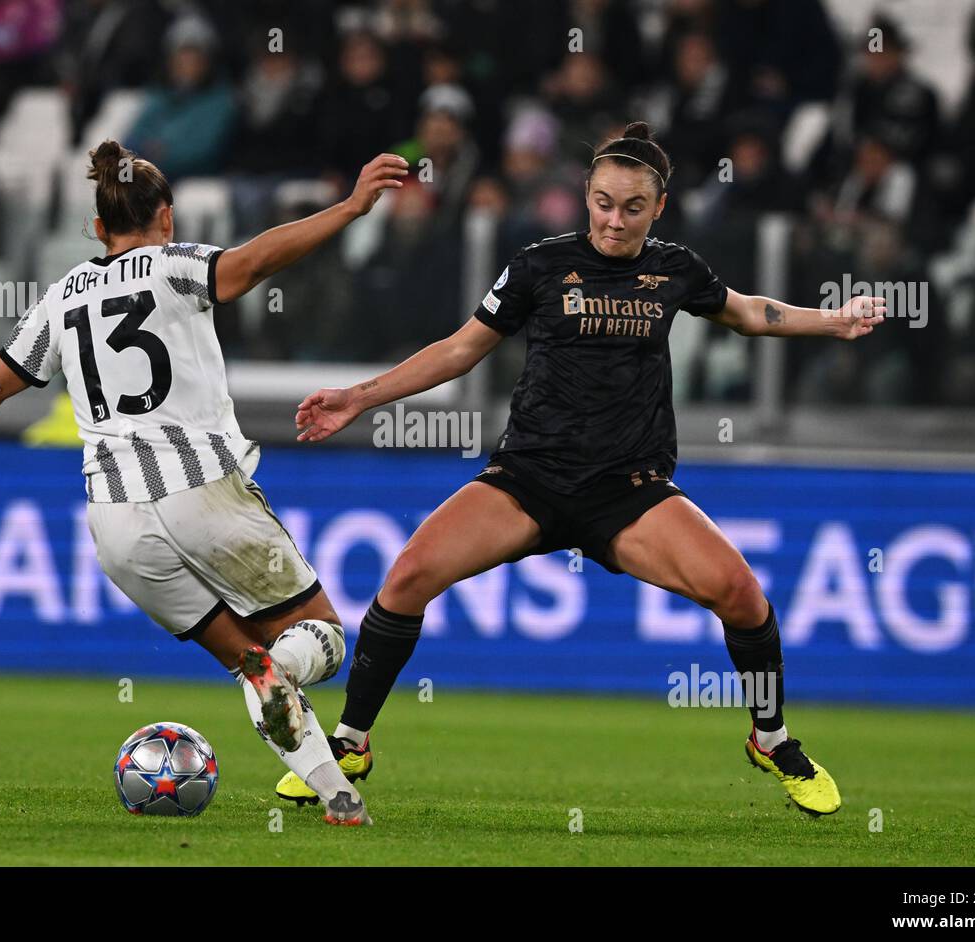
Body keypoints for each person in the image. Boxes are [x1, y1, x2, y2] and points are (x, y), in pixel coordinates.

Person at [284, 122, 887, 817]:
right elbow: (458, 352)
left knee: (742, 595)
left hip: (626, 489)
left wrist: (832, 321)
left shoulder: (675, 269)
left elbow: (751, 313)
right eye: (603, 202)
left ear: (658, 207)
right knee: (407, 578)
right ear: (586, 195)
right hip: (528, 479)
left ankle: (771, 738)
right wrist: (358, 397)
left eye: (633, 207)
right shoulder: (539, 265)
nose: (614, 219)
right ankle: (351, 744)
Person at [0, 140, 408, 826]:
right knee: (319, 636)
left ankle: (338, 795)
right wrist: (349, 207)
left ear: (99, 228)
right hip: (201, 489)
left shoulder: (62, 296)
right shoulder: (178, 265)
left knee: (247, 662)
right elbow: (256, 260)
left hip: (115, 524)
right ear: (165, 216)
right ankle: (283, 680)